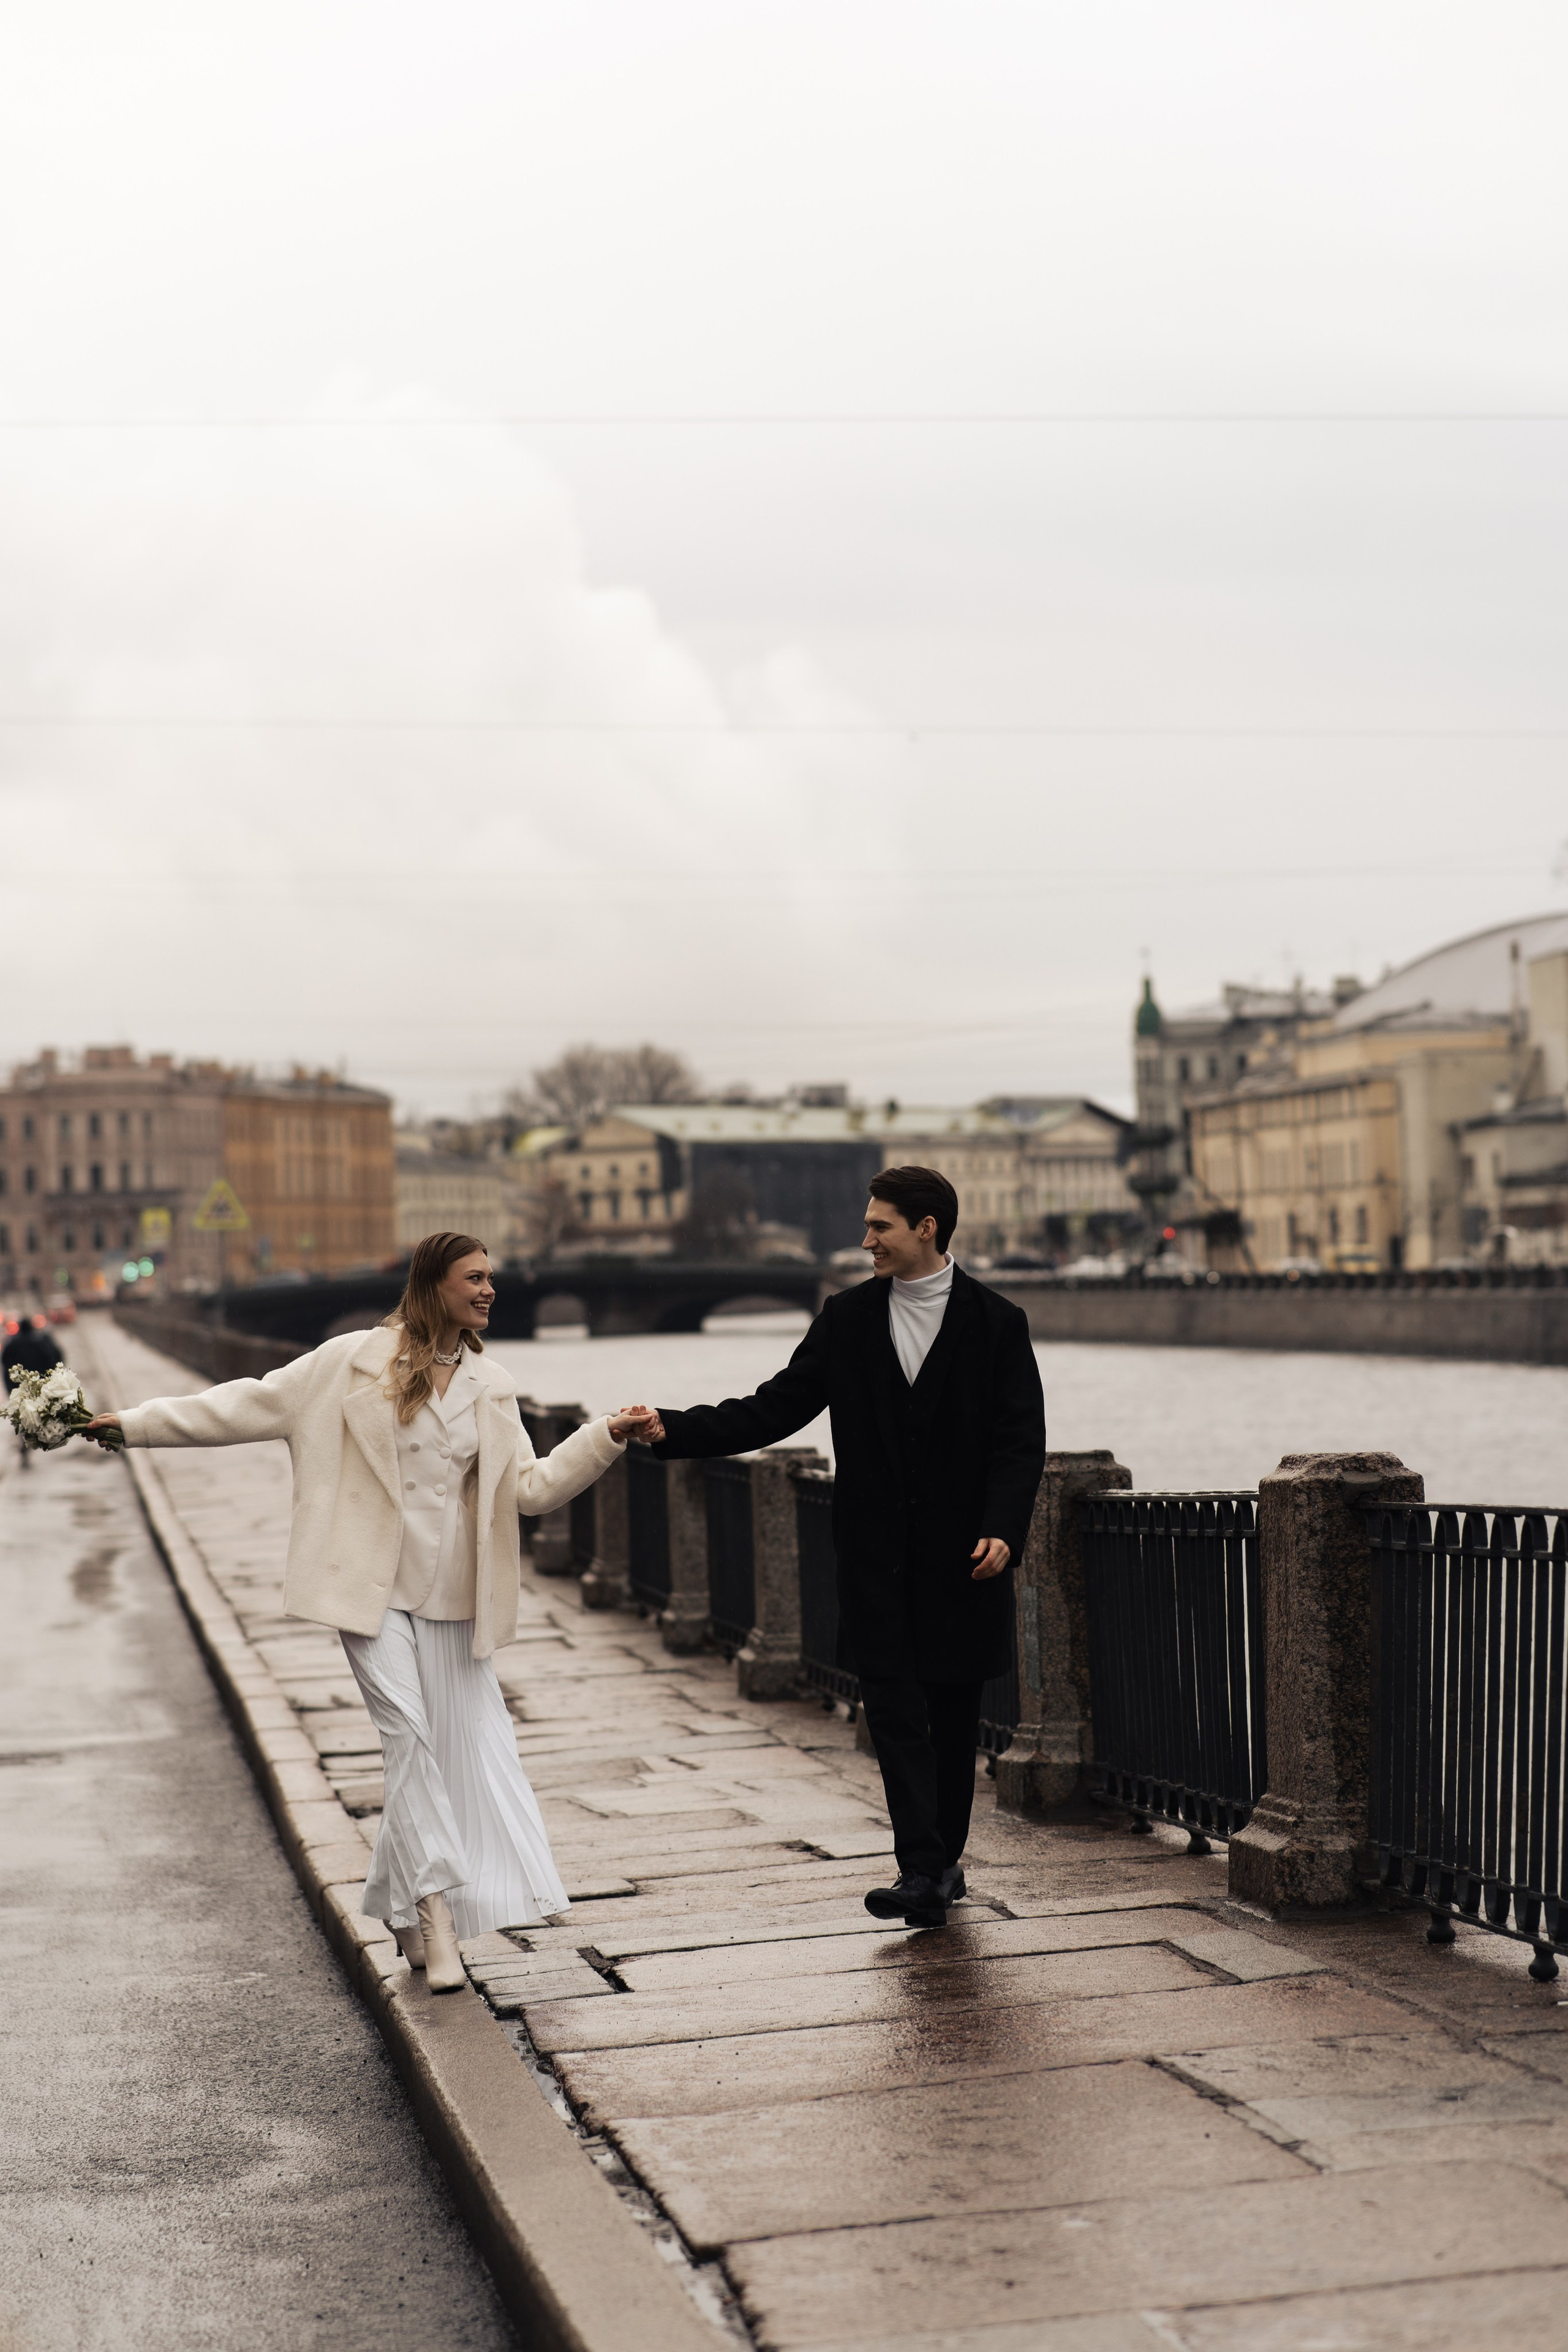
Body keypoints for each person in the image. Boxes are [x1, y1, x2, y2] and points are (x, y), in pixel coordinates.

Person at [87, 1232, 661, 1992]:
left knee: (451, 1755)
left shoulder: (492, 1386)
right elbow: (244, 1405)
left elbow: (528, 1489)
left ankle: (397, 1909)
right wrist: (134, 1425)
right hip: (369, 1589)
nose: (490, 1291)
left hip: (454, 1596)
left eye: (491, 1280)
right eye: (475, 1279)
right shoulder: (347, 1362)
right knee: (410, 1742)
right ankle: (436, 1919)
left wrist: (605, 1437)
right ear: (433, 1285)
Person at [649, 1166, 1046, 1929]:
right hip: (875, 1561)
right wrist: (675, 1428)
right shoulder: (848, 1318)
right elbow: (774, 1408)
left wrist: (1004, 1525)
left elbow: (1018, 1440)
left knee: (954, 1717)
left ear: (926, 1226)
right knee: (894, 1710)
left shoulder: (998, 1322)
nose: (865, 1241)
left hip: (965, 1558)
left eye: (879, 1227)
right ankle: (923, 1868)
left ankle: (940, 1862)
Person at [3, 1313, 65, 1469]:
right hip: (38, 1385)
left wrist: (10, 1384)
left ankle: (26, 1440)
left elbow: (4, 1361)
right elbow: (54, 1357)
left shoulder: (12, 1343)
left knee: (24, 1415)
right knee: (36, 1414)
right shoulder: (40, 1341)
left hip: (18, 1387)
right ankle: (31, 1440)